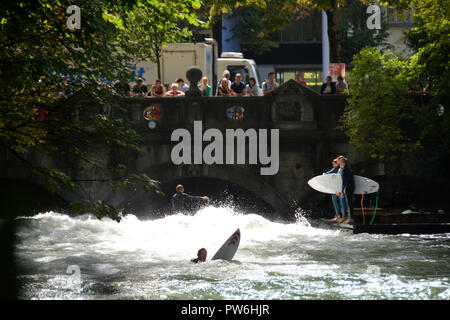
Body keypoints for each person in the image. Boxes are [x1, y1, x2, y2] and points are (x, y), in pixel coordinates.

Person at [323, 157, 343, 222]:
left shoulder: (335, 169)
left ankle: (338, 216)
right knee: (341, 204)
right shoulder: (340, 169)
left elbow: (326, 174)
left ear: (337, 164)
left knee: (336, 203)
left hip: (337, 190)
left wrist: (323, 174)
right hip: (340, 189)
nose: (333, 165)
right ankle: (341, 216)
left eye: (333, 164)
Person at [336, 157, 355, 224]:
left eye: (340, 162)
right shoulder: (348, 168)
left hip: (348, 186)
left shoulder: (345, 170)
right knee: (349, 202)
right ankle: (350, 217)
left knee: (349, 202)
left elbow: (344, 181)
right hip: (350, 185)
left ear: (343, 163)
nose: (339, 164)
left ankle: (351, 218)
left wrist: (341, 191)